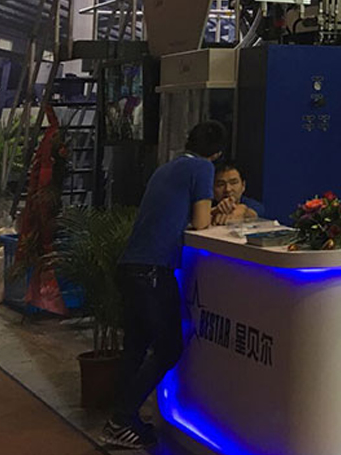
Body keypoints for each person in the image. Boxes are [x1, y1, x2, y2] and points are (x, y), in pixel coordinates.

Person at [104, 121, 226, 449]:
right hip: (154, 270)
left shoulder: (168, 168)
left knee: (136, 347)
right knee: (169, 347)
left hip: (132, 266)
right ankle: (120, 419)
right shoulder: (202, 168)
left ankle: (121, 419)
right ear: (217, 152)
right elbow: (201, 222)